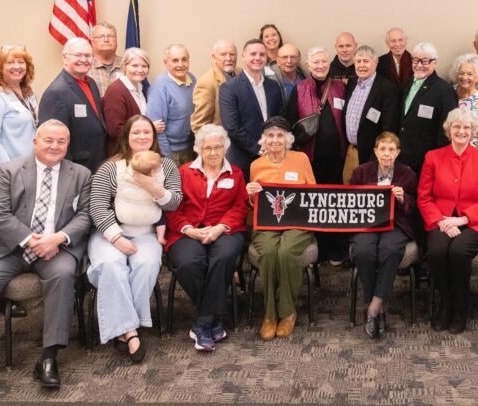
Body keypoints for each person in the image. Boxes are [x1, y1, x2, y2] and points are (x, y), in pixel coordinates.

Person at [0, 120, 91, 388]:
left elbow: (86, 215)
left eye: (61, 141)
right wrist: (31, 240)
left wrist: (58, 238)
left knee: (64, 275)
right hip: (9, 248)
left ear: (68, 144)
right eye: (48, 140)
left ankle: (49, 355)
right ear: (35, 142)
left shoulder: (81, 174)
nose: (55, 146)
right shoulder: (9, 171)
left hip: (57, 247)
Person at [87, 115, 183, 362]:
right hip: (109, 233)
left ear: (154, 137)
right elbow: (97, 206)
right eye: (136, 133)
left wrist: (154, 188)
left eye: (147, 133)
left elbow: (174, 202)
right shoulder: (111, 167)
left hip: (147, 233)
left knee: (146, 264)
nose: (141, 137)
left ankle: (123, 327)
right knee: (111, 265)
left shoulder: (167, 166)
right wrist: (116, 237)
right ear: (126, 137)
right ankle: (131, 331)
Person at [165, 124, 248, 352]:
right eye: (207, 147)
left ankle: (203, 323)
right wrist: (188, 229)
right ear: (198, 149)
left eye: (218, 147)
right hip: (187, 230)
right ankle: (213, 319)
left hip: (225, 229)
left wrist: (221, 227)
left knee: (223, 257)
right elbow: (172, 208)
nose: (213, 152)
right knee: (189, 262)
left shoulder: (236, 173)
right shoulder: (183, 172)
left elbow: (240, 207)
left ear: (225, 148)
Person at [418, 108, 478, 334]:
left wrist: (463, 219)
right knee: (436, 251)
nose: (461, 131)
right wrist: (441, 221)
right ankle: (446, 304)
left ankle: (460, 308)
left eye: (466, 128)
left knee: (458, 251)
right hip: (441, 219)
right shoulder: (433, 157)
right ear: (448, 130)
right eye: (457, 127)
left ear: (473, 132)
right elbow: (424, 197)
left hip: (476, 222)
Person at [246, 117, 317, 340]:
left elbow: (313, 193)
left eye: (279, 136)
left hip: (297, 222)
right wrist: (250, 194)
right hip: (267, 223)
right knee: (268, 253)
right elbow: (252, 204)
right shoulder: (256, 165)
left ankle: (287, 311)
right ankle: (269, 314)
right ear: (263, 141)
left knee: (285, 253)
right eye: (270, 136)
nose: (275, 140)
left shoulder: (301, 159)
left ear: (288, 140)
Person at [281, 47, 348, 264]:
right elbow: (288, 121)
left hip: (337, 159)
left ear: (330, 64)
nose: (320, 66)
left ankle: (336, 250)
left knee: (335, 204)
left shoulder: (340, 87)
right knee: (314, 205)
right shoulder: (300, 88)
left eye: (324, 62)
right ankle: (317, 250)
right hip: (309, 160)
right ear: (308, 66)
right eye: (315, 62)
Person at [349, 132, 417, 338]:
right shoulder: (361, 172)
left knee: (389, 249)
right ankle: (377, 307)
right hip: (367, 223)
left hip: (395, 224)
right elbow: (350, 201)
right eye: (382, 149)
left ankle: (374, 306)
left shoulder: (407, 174)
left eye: (391, 150)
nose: (387, 154)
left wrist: (402, 198)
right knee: (363, 251)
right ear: (375, 151)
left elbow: (415, 206)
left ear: (397, 153)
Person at [0, 45, 39, 206]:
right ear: (0, 67)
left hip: (24, 172)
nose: (16, 66)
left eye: (21, 62)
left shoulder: (29, 94)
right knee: (4, 227)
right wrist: (9, 175)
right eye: (10, 62)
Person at [38, 37, 107, 174]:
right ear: (65, 58)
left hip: (97, 161)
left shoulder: (91, 83)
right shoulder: (56, 92)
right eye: (78, 55)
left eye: (88, 55)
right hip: (75, 168)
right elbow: (54, 141)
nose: (83, 59)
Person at [220, 39, 283, 180]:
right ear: (243, 57)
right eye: (253, 54)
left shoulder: (273, 86)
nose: (257, 58)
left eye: (262, 54)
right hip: (242, 160)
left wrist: (273, 146)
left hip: (272, 158)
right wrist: (258, 148)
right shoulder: (229, 88)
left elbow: (279, 118)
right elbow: (232, 127)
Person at [397, 42, 458, 177]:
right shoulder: (406, 83)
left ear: (435, 63)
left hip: (426, 161)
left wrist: (438, 161)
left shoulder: (444, 90)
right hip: (402, 158)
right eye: (415, 60)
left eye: (424, 61)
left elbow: (446, 131)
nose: (419, 65)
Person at [343, 46, 400, 184]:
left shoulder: (387, 88)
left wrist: (379, 155)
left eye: (366, 61)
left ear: (375, 62)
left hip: (373, 155)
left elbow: (388, 127)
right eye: (358, 61)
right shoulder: (351, 84)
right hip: (351, 151)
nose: (361, 65)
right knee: (348, 188)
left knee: (367, 193)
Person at [147, 44, 197, 164]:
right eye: (175, 60)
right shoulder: (159, 86)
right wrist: (168, 158)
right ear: (165, 62)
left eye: (184, 59)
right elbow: (158, 129)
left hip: (191, 148)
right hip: (171, 152)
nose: (180, 64)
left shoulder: (192, 79)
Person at [103, 47, 158, 156]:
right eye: (135, 65)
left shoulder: (141, 89)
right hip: (123, 154)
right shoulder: (116, 90)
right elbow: (115, 130)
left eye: (144, 66)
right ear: (124, 67)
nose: (140, 70)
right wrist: (150, 128)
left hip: (140, 153)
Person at [190, 39, 238, 131]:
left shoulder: (240, 72)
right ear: (214, 57)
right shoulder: (206, 83)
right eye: (223, 55)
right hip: (221, 142)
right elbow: (199, 126)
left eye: (232, 54)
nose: (229, 58)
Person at [450, 53, 478, 155]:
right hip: (448, 155)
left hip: (472, 158)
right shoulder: (449, 93)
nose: (465, 77)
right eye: (461, 73)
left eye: (470, 74)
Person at [87, 22, 122, 96]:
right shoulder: (85, 67)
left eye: (111, 36)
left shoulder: (127, 65)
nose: (106, 40)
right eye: (101, 36)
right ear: (92, 42)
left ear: (116, 41)